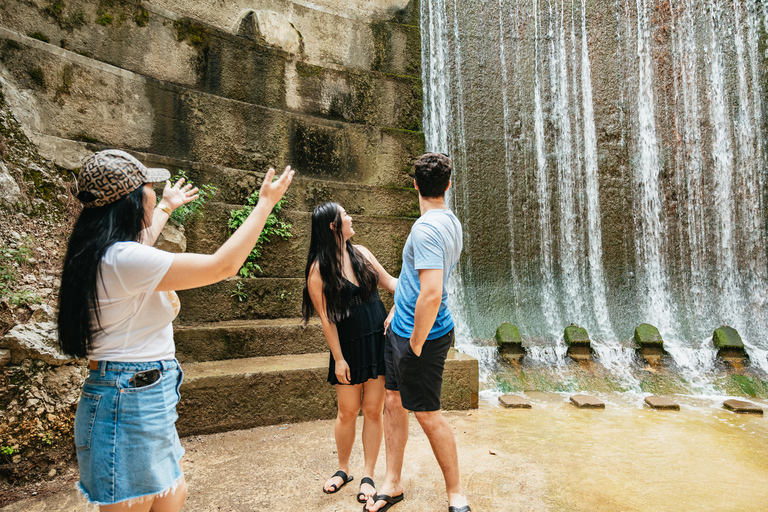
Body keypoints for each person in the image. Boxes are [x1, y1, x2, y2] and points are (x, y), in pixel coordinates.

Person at [57, 149, 293, 511]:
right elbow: (222, 266)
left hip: (138, 392)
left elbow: (140, 247)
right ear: (130, 200)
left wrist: (166, 207)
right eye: (148, 186)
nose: (152, 191)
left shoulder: (101, 250)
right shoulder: (122, 259)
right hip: (128, 397)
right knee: (142, 503)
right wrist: (265, 204)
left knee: (172, 495)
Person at [366, 153, 470, 512]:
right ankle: (392, 483)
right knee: (393, 404)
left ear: (415, 185)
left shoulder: (426, 229)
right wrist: (395, 308)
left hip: (421, 336)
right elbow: (414, 284)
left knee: (428, 414)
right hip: (403, 329)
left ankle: (456, 494)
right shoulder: (448, 221)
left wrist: (414, 343)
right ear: (448, 185)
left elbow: (432, 292)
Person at [301, 202, 398, 504]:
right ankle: (343, 470)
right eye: (345, 216)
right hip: (349, 348)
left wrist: (397, 307)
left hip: (377, 341)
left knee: (373, 410)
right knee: (347, 411)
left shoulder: (363, 254)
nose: (351, 217)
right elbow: (327, 319)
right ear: (333, 226)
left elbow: (394, 284)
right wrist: (339, 358)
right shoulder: (318, 270)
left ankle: (368, 474)